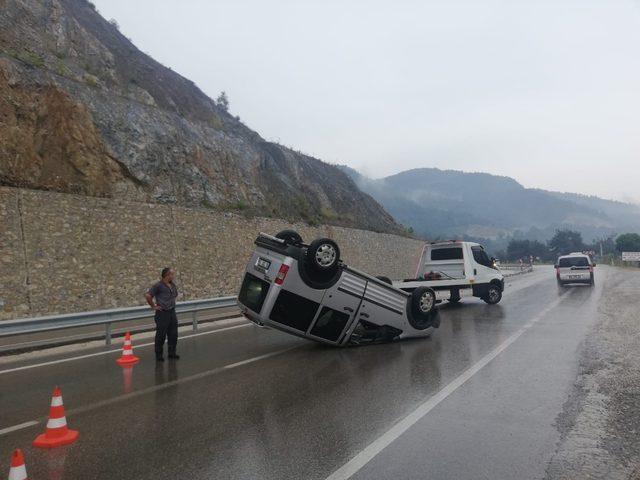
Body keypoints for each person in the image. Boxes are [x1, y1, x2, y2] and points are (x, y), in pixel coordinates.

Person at [145, 267, 180, 361]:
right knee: (161, 334)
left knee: (173, 334)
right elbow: (148, 295)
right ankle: (159, 355)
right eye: (172, 274)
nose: (173, 276)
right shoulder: (158, 285)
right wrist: (153, 306)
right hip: (162, 313)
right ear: (167, 275)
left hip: (172, 312)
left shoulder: (172, 285)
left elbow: (175, 295)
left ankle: (172, 353)